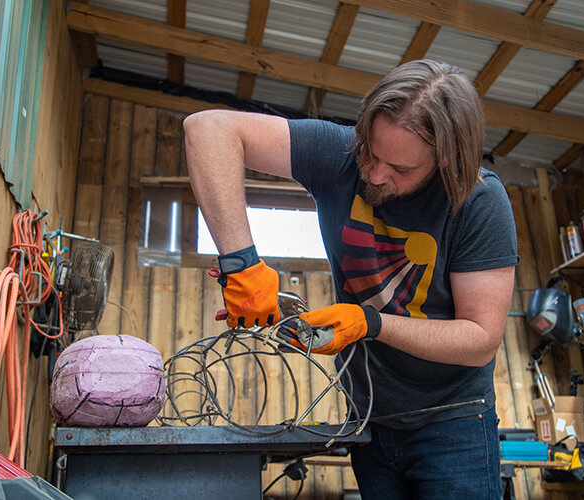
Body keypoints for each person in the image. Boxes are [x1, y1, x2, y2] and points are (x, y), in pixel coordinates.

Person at [183, 59, 518, 499]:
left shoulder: (479, 201)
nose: (376, 175)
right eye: (372, 153)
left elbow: (479, 340)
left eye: (400, 169)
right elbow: (207, 128)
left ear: (446, 159)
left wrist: (369, 323)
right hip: (369, 416)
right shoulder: (340, 156)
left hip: (453, 419)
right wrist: (241, 264)